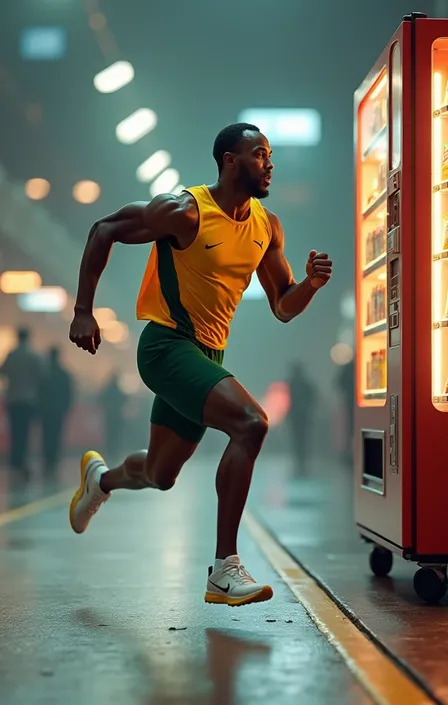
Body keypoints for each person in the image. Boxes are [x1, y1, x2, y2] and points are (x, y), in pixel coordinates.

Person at [68, 123, 333, 606]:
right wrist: (83, 309)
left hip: (208, 353)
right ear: (230, 161)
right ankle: (224, 568)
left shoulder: (266, 226)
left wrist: (310, 285)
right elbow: (104, 228)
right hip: (166, 347)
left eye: (270, 154)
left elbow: (282, 306)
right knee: (251, 424)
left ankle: (100, 481)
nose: (269, 162)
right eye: (259, 154)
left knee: (160, 473)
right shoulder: (185, 211)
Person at [0, 327, 43, 478]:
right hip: (29, 401)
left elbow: (3, 371)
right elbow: (42, 376)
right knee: (25, 433)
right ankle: (23, 462)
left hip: (13, 400)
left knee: (14, 432)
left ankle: (15, 462)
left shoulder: (11, 355)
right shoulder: (34, 356)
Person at [40, 346, 74, 478]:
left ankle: (48, 461)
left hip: (46, 410)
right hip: (59, 410)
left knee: (46, 436)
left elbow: (40, 392)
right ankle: (54, 461)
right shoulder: (64, 374)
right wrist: (66, 407)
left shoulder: (45, 374)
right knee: (56, 435)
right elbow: (69, 393)